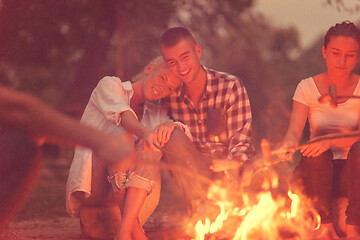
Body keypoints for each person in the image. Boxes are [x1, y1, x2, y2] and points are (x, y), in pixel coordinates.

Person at [66, 57, 184, 240]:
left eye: (169, 88)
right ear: (149, 69)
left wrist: (170, 125)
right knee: (122, 136)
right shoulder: (110, 85)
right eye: (162, 78)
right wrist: (146, 133)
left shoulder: (157, 114)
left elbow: (183, 135)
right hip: (95, 189)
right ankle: (134, 231)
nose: (163, 88)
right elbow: (124, 117)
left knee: (154, 145)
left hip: (131, 204)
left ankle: (124, 229)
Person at [0, 85, 134, 232]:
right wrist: (102, 142)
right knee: (19, 146)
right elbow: (18, 110)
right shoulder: (110, 84)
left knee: (18, 142)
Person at [158, 27, 256, 217]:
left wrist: (231, 168)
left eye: (185, 57)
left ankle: (234, 207)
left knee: (241, 216)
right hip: (197, 173)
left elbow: (241, 142)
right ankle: (200, 210)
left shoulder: (230, 86)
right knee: (171, 134)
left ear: (198, 51)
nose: (181, 67)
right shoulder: (167, 96)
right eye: (172, 62)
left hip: (231, 166)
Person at [281, 21, 360, 238]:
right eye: (336, 53)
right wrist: (288, 145)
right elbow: (294, 131)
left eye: (350, 55)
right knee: (315, 151)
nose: (342, 61)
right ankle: (325, 226)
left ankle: (354, 227)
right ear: (325, 52)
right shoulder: (306, 88)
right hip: (317, 171)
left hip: (352, 173)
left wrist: (330, 141)